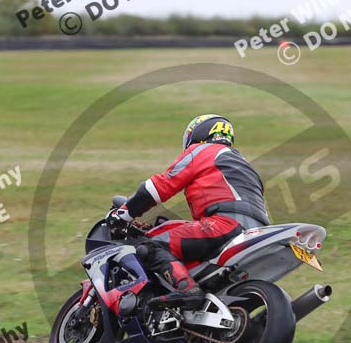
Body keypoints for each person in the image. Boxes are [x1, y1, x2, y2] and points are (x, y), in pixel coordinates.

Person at [109, 114, 269, 308]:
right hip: (257, 229)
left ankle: (187, 290)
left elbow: (157, 188)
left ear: (198, 134)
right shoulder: (244, 164)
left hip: (224, 224)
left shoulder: (202, 150)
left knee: (151, 247)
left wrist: (123, 214)